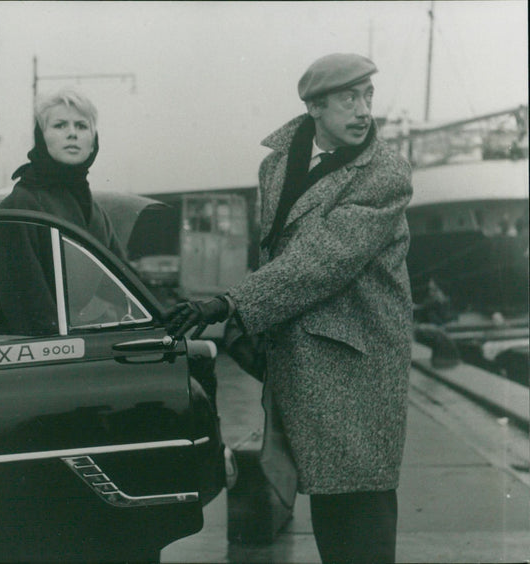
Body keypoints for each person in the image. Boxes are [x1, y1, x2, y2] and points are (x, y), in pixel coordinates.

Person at [167, 53, 413, 563]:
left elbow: (322, 259)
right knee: (329, 492)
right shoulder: (277, 163)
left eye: (368, 95)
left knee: (359, 499)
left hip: (359, 358)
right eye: (349, 97)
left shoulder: (384, 172)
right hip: (305, 358)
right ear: (315, 105)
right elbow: (278, 252)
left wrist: (234, 302)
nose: (364, 109)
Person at [0, 88, 125, 335]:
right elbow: (27, 302)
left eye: (82, 126)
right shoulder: (22, 204)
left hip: (84, 343)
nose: (72, 133)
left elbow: (124, 286)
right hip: (42, 352)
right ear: (41, 137)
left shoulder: (96, 212)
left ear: (94, 140)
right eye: (60, 125)